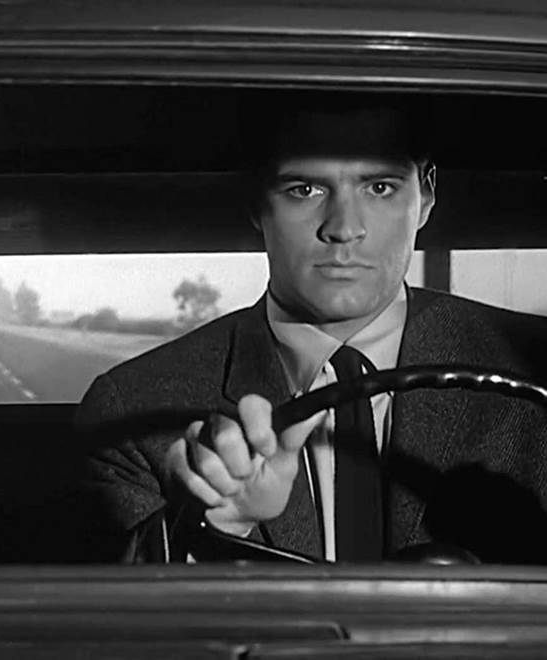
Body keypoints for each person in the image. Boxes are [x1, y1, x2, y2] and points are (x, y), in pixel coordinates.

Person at [76, 95, 547, 564]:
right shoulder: (133, 413)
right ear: (255, 202)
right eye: (305, 189)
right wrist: (213, 529)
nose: (343, 228)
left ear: (425, 196)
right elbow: (115, 605)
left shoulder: (536, 367)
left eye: (379, 187)